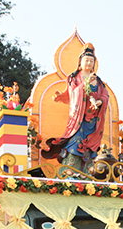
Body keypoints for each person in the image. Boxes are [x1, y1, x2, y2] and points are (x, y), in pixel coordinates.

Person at [43, 43, 110, 172]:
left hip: (93, 119)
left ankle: (88, 169)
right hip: (79, 118)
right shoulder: (74, 78)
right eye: (87, 60)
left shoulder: (98, 81)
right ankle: (71, 167)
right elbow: (73, 93)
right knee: (75, 140)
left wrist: (100, 102)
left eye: (92, 61)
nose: (89, 63)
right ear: (80, 62)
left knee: (90, 143)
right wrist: (85, 83)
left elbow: (105, 94)